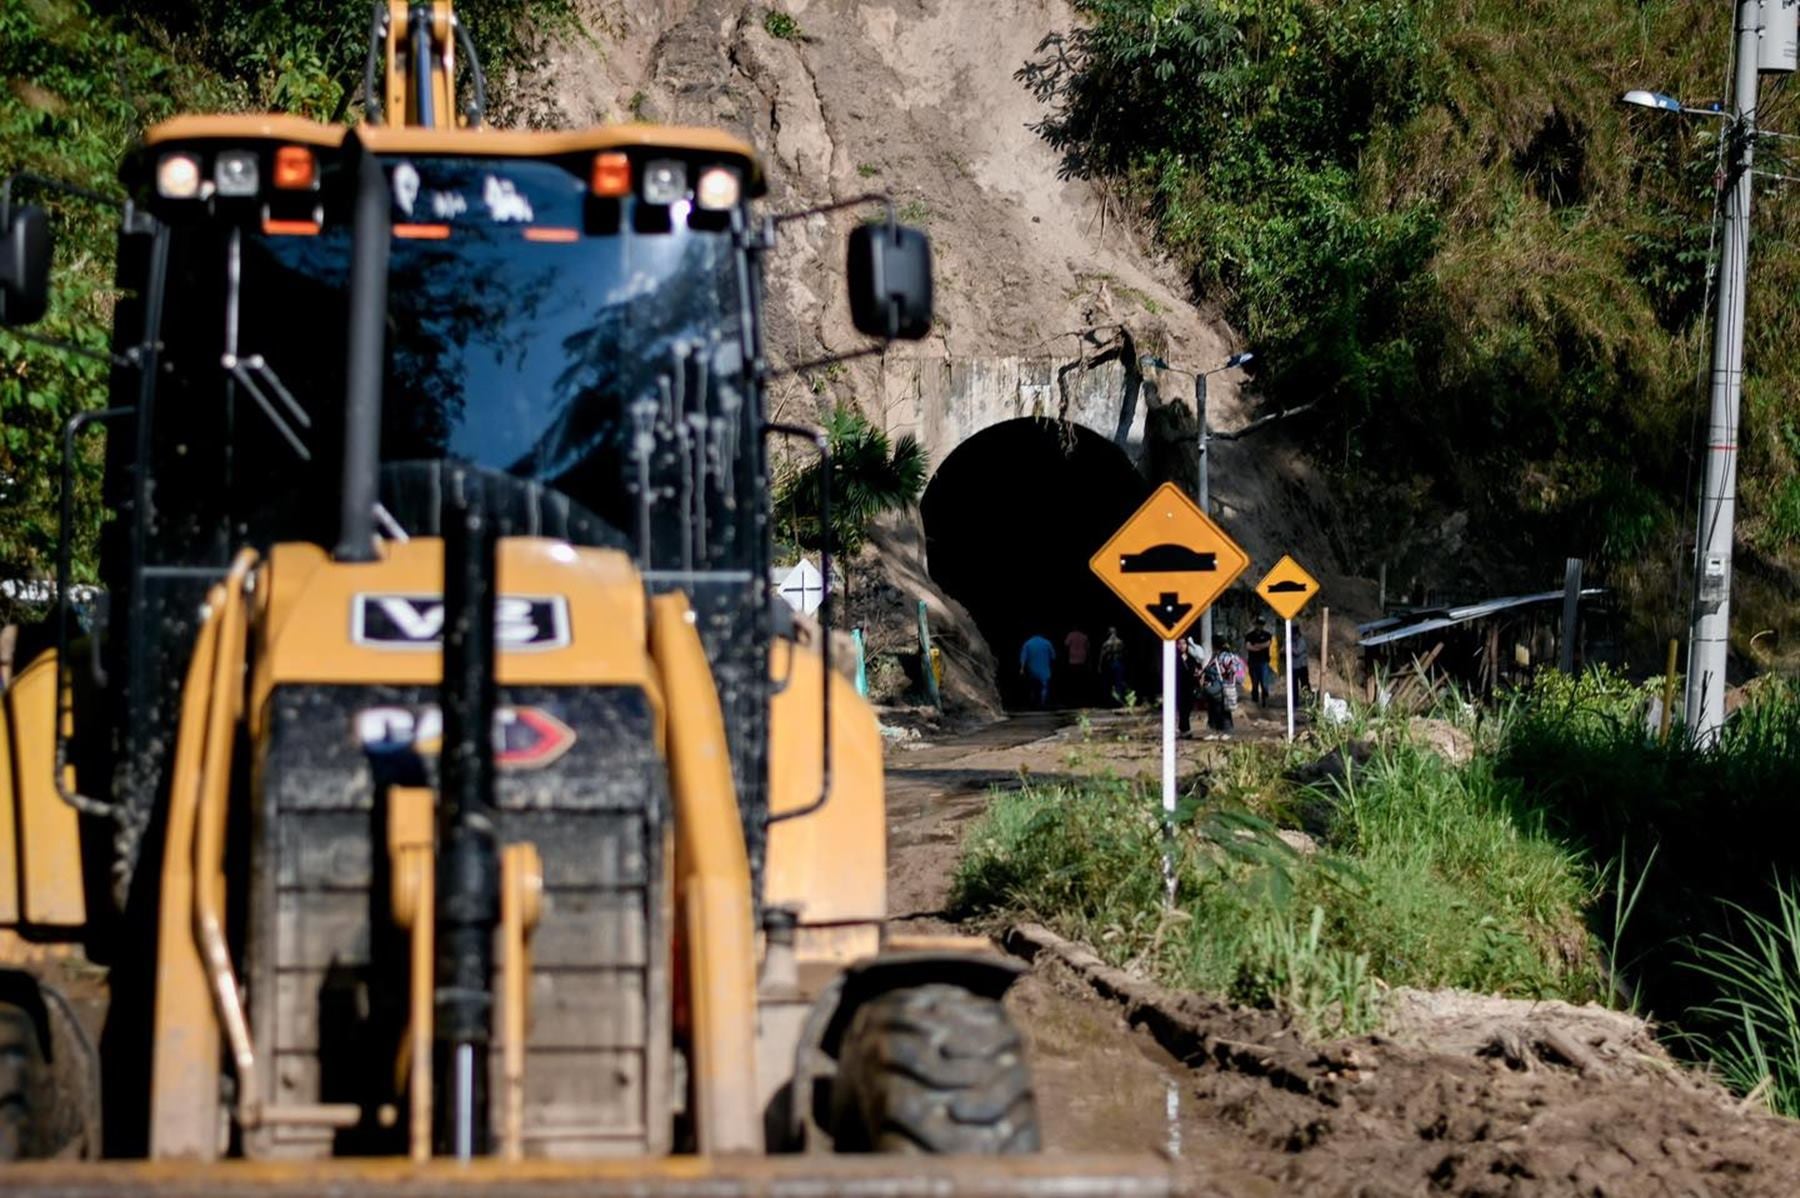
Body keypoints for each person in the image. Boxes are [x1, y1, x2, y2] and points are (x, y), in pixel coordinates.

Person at [1244, 616, 1275, 708]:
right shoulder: (1249, 635)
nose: (1259, 626)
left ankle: (1265, 700)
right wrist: (1260, 646)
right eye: (1258, 624)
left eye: (1261, 624)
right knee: (1254, 682)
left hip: (1264, 662)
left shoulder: (1267, 635)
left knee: (1264, 682)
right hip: (1253, 662)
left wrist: (1256, 646)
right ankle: (1255, 702)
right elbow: (1248, 647)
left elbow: (1267, 644)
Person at [1019, 633, 1055, 708]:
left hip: (1031, 669)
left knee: (1032, 687)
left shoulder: (1028, 643)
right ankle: (1043, 703)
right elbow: (1053, 656)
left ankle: (1033, 703)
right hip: (1044, 669)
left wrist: (1022, 668)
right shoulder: (1047, 642)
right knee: (1044, 686)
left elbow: (1023, 657)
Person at [1097, 626, 1127, 706]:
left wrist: (1099, 666)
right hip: (1119, 663)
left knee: (1108, 682)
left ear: (1108, 633)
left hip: (1109, 663)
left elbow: (1102, 655)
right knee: (1118, 682)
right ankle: (1119, 699)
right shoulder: (1120, 642)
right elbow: (1124, 653)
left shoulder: (1106, 643)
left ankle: (1110, 700)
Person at [1062, 627, 1090, 704]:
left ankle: (1072, 698)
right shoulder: (1084, 636)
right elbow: (1088, 648)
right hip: (1082, 660)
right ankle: (1080, 697)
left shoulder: (1070, 635)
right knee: (1081, 681)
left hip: (1072, 660)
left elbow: (1066, 645)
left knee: (1072, 681)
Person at [1291, 623, 1312, 696]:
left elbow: (1297, 652)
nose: (1293, 636)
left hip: (1302, 666)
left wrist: (1289, 648)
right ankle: (1295, 701)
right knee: (1294, 685)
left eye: (1294, 635)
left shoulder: (1301, 641)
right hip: (1294, 667)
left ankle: (1308, 698)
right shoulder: (1291, 641)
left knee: (1304, 684)